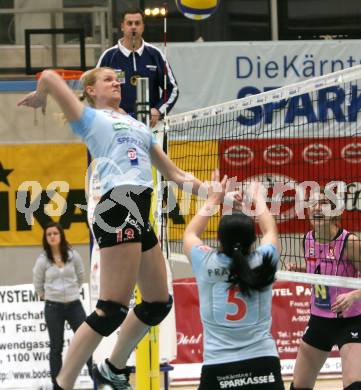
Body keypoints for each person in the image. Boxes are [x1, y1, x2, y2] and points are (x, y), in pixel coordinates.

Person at [18, 66, 205, 390]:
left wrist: (216, 194)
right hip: (117, 205)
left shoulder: (138, 126)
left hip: (140, 207)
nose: (116, 82)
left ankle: (112, 368)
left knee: (158, 302)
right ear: (91, 90)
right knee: (110, 309)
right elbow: (48, 75)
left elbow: (176, 175)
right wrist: (42, 94)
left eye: (116, 79)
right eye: (107, 79)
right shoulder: (90, 119)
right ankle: (63, 384)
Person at [183, 174, 284, 390]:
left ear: (219, 239)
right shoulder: (265, 260)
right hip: (263, 363)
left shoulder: (205, 261)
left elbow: (190, 233)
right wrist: (258, 198)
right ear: (253, 241)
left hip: (218, 366)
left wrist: (213, 199)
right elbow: (270, 231)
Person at [291, 191, 361, 390]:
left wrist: (354, 295)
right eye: (312, 203)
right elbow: (324, 271)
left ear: (334, 210)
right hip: (319, 320)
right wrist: (302, 271)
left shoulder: (350, 242)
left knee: (354, 385)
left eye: (323, 203)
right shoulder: (308, 240)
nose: (317, 207)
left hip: (350, 321)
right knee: (299, 386)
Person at [96, 7, 179, 127]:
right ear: (122, 27)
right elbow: (96, 91)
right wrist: (112, 112)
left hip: (150, 126)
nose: (133, 26)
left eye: (137, 23)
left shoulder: (155, 54)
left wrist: (158, 110)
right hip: (118, 125)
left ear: (143, 27)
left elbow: (172, 89)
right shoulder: (109, 56)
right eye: (129, 23)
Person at [33, 222, 92, 386]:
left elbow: (81, 276)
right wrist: (47, 296)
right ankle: (57, 385)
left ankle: (96, 381)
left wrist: (73, 291)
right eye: (49, 234)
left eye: (55, 233)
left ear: (61, 235)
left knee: (86, 342)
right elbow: (38, 283)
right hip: (53, 308)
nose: (52, 236)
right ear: (46, 238)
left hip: (74, 306)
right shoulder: (43, 260)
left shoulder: (73, 255)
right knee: (56, 347)